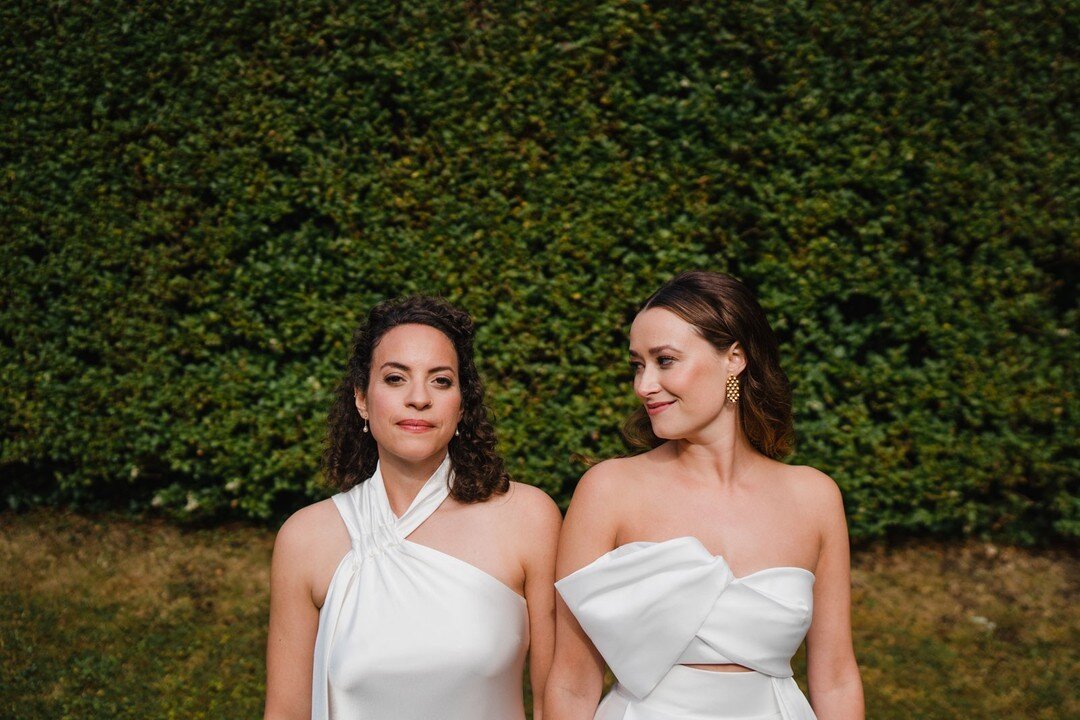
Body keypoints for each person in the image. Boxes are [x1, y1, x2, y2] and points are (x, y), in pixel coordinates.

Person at [545, 271, 864, 720]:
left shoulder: (814, 497)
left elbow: (836, 678)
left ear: (734, 358)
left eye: (665, 360)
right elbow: (572, 682)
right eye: (637, 364)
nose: (643, 385)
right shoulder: (608, 490)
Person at [264, 296, 561, 720]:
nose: (419, 398)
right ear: (362, 399)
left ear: (462, 404)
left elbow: (559, 697)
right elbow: (286, 713)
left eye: (440, 380)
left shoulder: (527, 517)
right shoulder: (306, 538)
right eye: (395, 378)